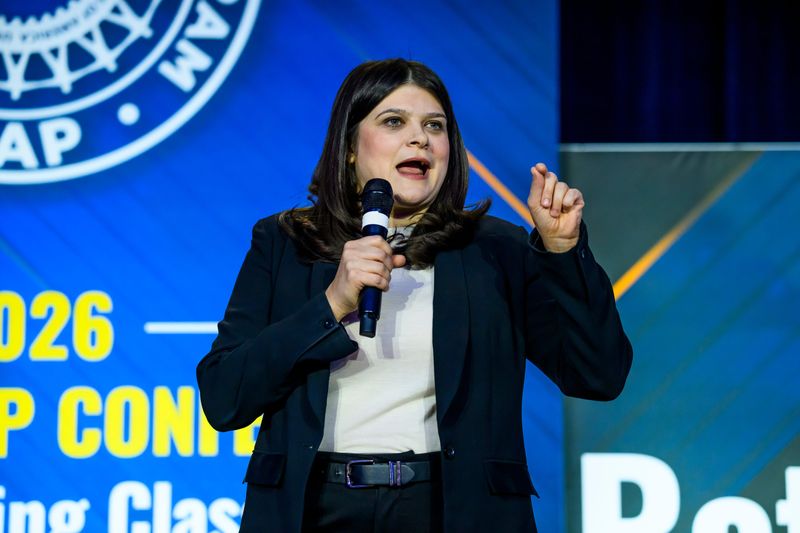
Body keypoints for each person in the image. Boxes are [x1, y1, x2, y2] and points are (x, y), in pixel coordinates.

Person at [197, 58, 632, 532]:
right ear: (349, 147)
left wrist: (563, 252)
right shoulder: (284, 243)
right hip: (313, 511)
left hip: (453, 512)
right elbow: (224, 398)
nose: (420, 138)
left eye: (434, 125)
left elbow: (598, 375)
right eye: (393, 122)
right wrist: (333, 303)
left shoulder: (496, 250)